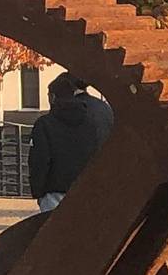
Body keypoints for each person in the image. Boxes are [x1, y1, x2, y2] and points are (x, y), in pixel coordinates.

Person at [28, 73, 110, 212]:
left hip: (55, 192)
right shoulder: (97, 116)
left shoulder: (45, 124)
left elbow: (39, 161)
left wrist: (38, 191)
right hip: (90, 188)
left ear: (53, 97)